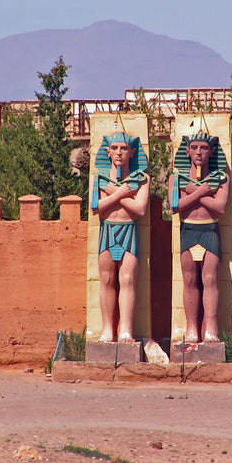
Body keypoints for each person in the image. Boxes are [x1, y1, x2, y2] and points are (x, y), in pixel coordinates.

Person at [169, 132, 230, 343]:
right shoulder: (176, 178)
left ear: (212, 151)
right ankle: (192, 330)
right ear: (187, 151)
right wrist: (203, 192)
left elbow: (220, 207)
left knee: (210, 280)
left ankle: (211, 330)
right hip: (188, 230)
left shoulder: (221, 178)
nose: (198, 152)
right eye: (194, 147)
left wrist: (193, 192)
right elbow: (174, 206)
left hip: (209, 230)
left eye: (203, 148)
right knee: (190, 280)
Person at [91, 132, 149, 342]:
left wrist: (114, 194)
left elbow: (140, 209)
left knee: (127, 280)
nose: (119, 153)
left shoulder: (142, 179)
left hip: (128, 232)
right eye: (114, 148)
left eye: (124, 148)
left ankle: (125, 329)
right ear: (107, 152)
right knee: (106, 279)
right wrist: (121, 194)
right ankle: (108, 329)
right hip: (107, 231)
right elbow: (95, 207)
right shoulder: (97, 178)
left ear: (132, 153)